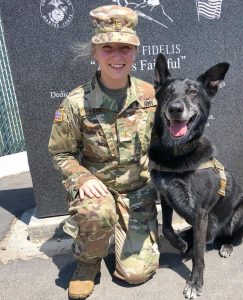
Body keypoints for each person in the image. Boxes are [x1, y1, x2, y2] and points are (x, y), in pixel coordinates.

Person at [48, 5, 159, 299]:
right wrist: (82, 179)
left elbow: (165, 143)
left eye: (125, 47)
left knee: (134, 275)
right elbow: (61, 154)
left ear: (135, 52)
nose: (117, 56)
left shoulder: (150, 96)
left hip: (137, 194)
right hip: (99, 194)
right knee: (97, 211)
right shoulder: (76, 103)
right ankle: (87, 262)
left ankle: (134, 232)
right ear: (94, 52)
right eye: (107, 47)